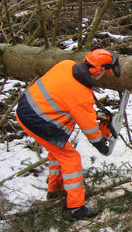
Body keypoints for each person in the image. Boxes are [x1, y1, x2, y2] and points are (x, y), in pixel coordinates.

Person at [16, 49, 121, 221]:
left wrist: (95, 115)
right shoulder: (81, 96)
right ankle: (76, 208)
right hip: (38, 121)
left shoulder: (66, 65)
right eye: (103, 72)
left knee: (57, 153)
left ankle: (55, 190)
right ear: (98, 70)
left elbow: (64, 98)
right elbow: (91, 133)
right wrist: (103, 146)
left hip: (26, 109)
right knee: (71, 159)